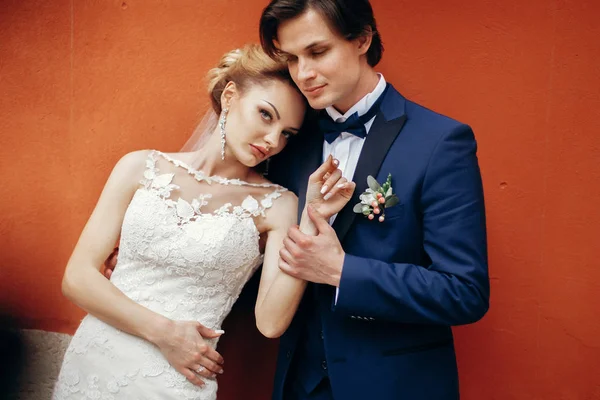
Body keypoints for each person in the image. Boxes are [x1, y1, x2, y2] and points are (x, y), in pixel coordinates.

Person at [52, 43, 355, 400]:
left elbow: (271, 323)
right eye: (266, 115)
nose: (273, 141)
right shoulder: (139, 167)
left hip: (177, 379)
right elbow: (77, 278)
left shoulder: (278, 205)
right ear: (230, 96)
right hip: (93, 362)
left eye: (287, 133)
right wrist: (164, 333)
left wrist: (311, 219)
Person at [257, 1, 490, 399]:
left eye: (317, 52)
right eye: (291, 59)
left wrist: (342, 271)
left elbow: (464, 292)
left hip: (396, 385)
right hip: (299, 383)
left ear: (363, 38)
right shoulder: (288, 139)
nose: (304, 74)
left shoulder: (439, 142)